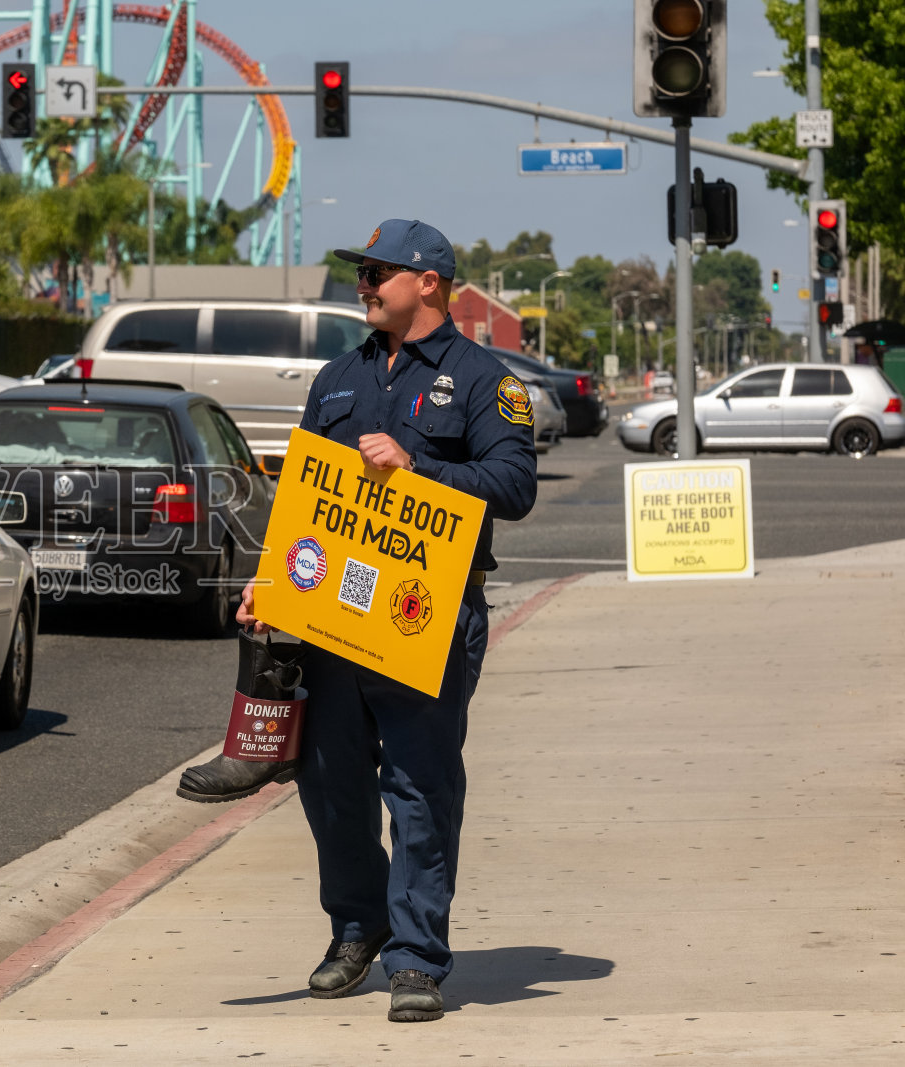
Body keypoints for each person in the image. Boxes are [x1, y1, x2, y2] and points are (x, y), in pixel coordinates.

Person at [237, 218, 537, 1022]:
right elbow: (302, 496)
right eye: (361, 273)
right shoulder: (338, 377)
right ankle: (357, 929)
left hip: (425, 616)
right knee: (329, 780)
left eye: (378, 271)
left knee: (418, 786)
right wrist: (268, 579)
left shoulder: (483, 379)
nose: (363, 285)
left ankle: (416, 961)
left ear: (428, 282)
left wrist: (419, 467)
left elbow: (512, 485)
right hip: (331, 616)